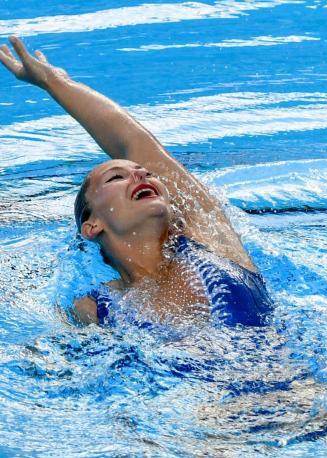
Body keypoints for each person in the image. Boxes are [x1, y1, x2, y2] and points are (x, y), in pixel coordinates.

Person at [0, 37, 273, 328]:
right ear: (92, 225)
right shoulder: (93, 309)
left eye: (147, 173)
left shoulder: (209, 241)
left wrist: (55, 82)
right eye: (117, 177)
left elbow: (132, 141)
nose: (142, 174)